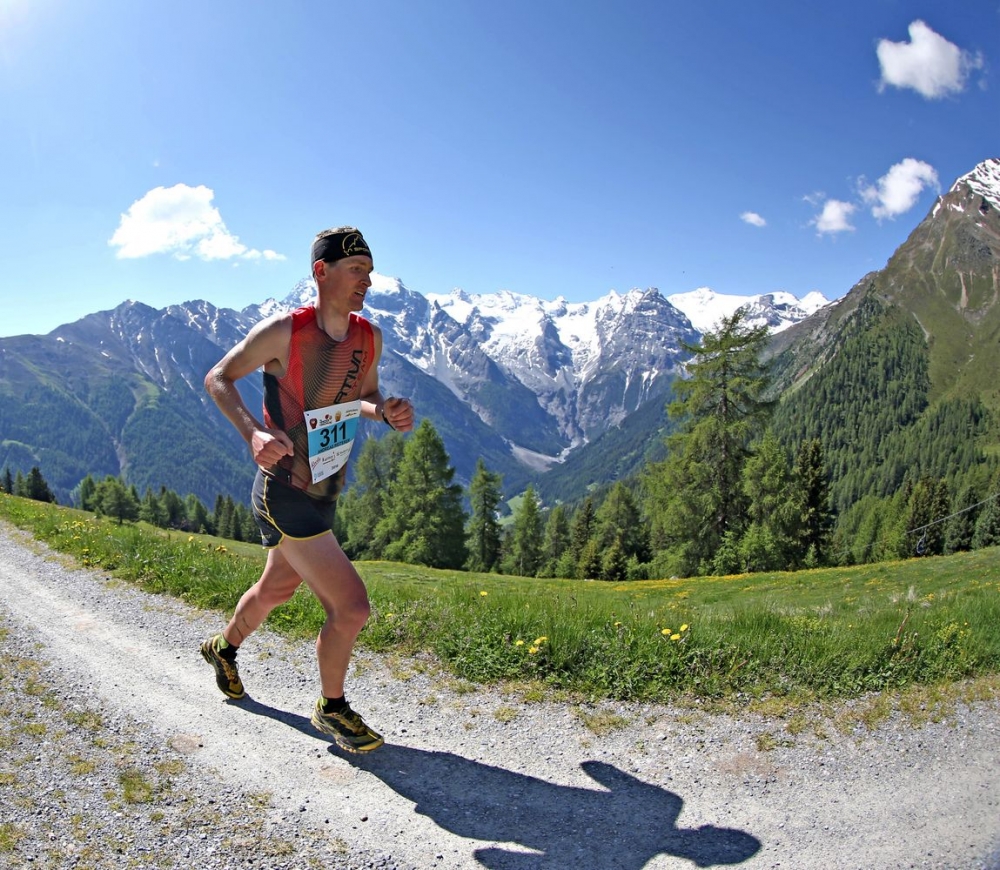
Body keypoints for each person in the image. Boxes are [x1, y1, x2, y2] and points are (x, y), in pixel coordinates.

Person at [200, 226, 414, 753]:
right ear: (322, 272)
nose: (367, 280)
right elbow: (218, 377)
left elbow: (361, 396)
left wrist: (383, 411)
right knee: (352, 607)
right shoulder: (284, 332)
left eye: (369, 270)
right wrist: (252, 432)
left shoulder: (369, 337)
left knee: (277, 588)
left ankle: (222, 650)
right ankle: (332, 707)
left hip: (325, 489)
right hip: (283, 488)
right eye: (356, 270)